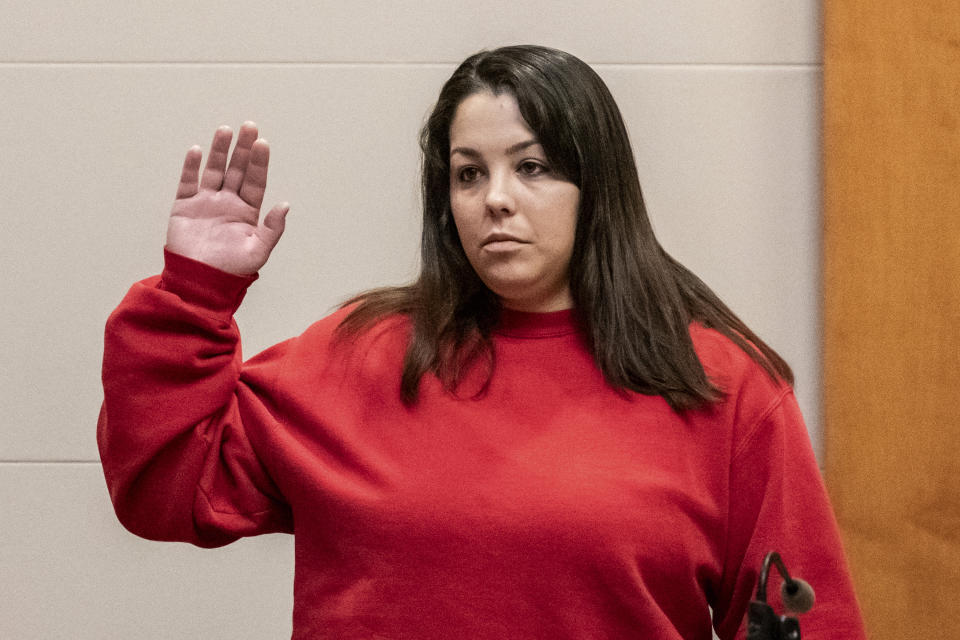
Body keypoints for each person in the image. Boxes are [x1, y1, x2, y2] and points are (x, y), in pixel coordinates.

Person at [98, 45, 867, 639]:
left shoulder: (720, 385)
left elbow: (807, 619)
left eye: (531, 167)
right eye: (469, 175)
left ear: (596, 187)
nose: (496, 199)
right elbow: (166, 488)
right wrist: (196, 294)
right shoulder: (358, 356)